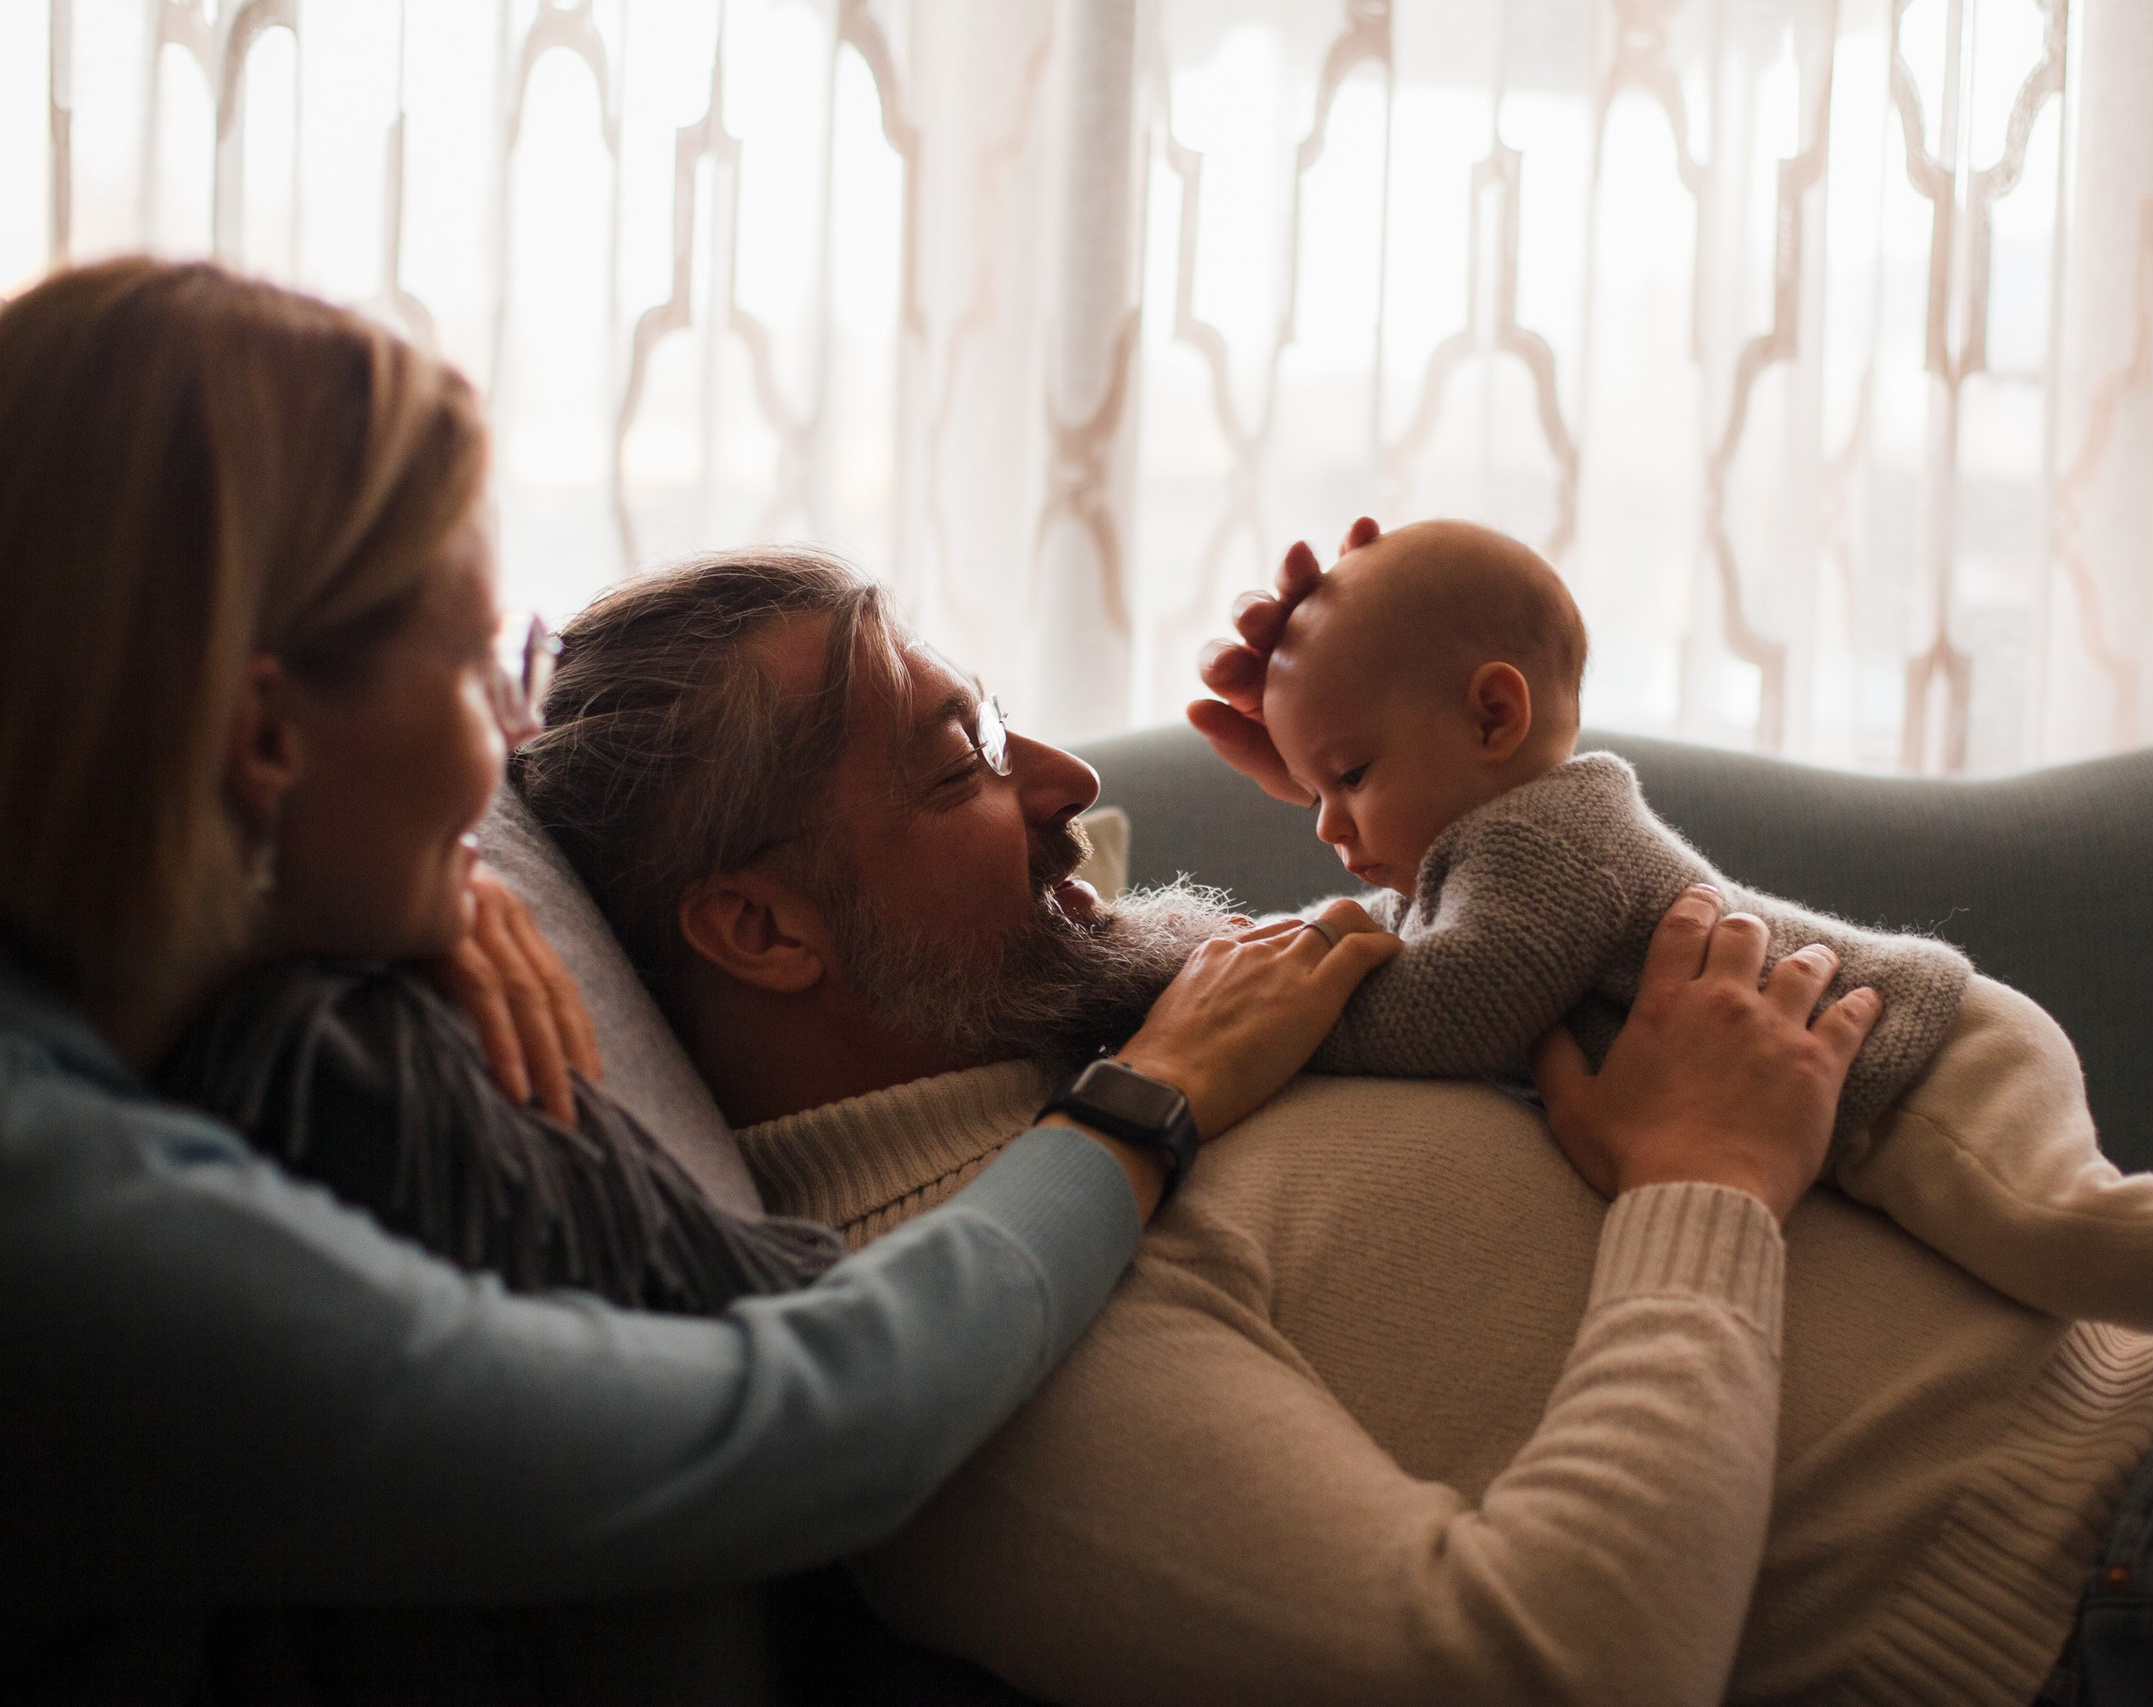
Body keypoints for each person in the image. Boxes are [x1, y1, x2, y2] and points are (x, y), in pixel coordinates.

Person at [524, 544, 2153, 1705]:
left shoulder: (1152, 1060)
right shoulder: (982, 1350)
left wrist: (1372, 746)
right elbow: (1541, 1670)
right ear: (759, 924)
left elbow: (1535, 924)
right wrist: (1701, 1190)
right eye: (954, 755)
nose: (1061, 771)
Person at [0, 259, 1402, 1693]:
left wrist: (325, 888)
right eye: (487, 665)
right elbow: (792, 1428)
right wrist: (1143, 1101)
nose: (505, 762)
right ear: (266, 738)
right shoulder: (75, 1245)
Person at [1214, 515, 2153, 1445]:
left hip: (1906, 1058)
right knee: (2061, 1223)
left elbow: (1448, 1010)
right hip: (1894, 1049)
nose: (1325, 826)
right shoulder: (1491, 844)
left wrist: (1277, 1016)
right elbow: (1413, 940)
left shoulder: (1547, 839)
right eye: (1312, 790)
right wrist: (1339, 859)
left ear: (1493, 717)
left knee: (2053, 1239)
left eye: (1349, 776)